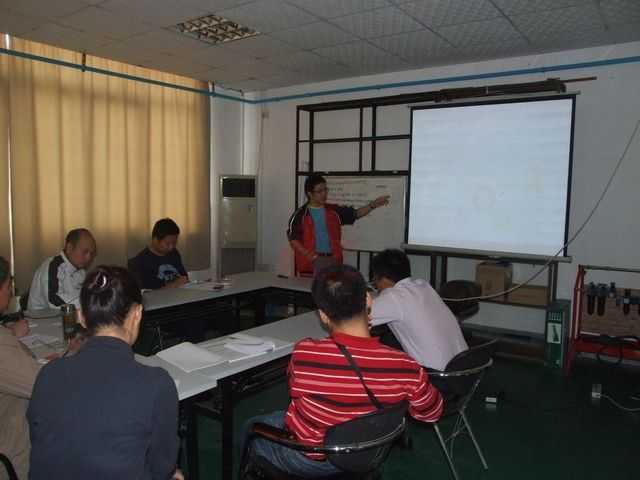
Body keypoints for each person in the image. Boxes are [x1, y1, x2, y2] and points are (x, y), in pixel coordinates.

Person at [241, 264, 443, 477]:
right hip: (368, 453)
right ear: (368, 300)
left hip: (312, 460)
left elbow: (295, 391)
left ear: (323, 316)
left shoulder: (305, 353)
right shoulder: (405, 365)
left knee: (251, 426)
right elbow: (432, 413)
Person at [27, 266, 182, 480]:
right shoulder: (156, 383)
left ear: (81, 317)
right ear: (137, 314)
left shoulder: (47, 374)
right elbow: (162, 466)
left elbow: (41, 442)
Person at [370, 249, 468, 371]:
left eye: (375, 280)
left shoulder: (394, 297)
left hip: (437, 375)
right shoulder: (423, 286)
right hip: (465, 367)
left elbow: (354, 319)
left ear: (382, 279)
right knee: (390, 340)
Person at [287, 174, 389, 276]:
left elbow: (356, 214)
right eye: (319, 191)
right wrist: (308, 255)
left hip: (333, 259)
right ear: (310, 193)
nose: (324, 194)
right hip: (311, 263)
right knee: (313, 286)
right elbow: (293, 238)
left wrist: (373, 205)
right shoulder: (301, 214)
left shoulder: (333, 211)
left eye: (325, 190)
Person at [0, 256, 40, 480]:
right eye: (8, 286)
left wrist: (10, 333)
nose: (10, 292)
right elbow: (43, 385)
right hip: (11, 458)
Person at [27, 228, 97, 311]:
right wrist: (91, 301)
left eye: (91, 253)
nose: (89, 258)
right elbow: (54, 302)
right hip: (41, 318)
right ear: (69, 248)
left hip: (65, 317)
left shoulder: (81, 272)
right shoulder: (52, 266)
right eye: (85, 252)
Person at [129, 218, 188, 290]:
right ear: (155, 239)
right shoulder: (140, 262)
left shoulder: (174, 253)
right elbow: (146, 293)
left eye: (174, 243)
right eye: (168, 244)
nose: (171, 247)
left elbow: (184, 277)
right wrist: (174, 285)